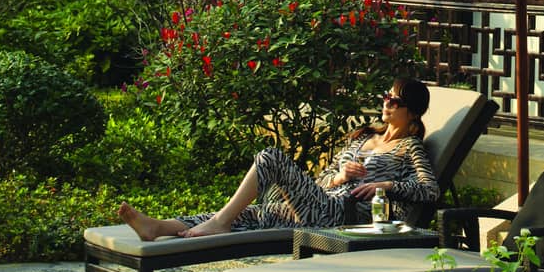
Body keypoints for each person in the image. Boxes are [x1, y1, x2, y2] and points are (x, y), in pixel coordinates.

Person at [117, 78, 436, 240]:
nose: (387, 103)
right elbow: (322, 180)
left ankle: (219, 223)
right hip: (319, 202)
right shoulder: (363, 138)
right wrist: (340, 176)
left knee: (269, 157)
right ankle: (158, 227)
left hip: (343, 215)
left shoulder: (409, 147)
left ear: (412, 111)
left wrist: (385, 185)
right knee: (247, 214)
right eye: (386, 96)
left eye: (395, 100)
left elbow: (429, 189)